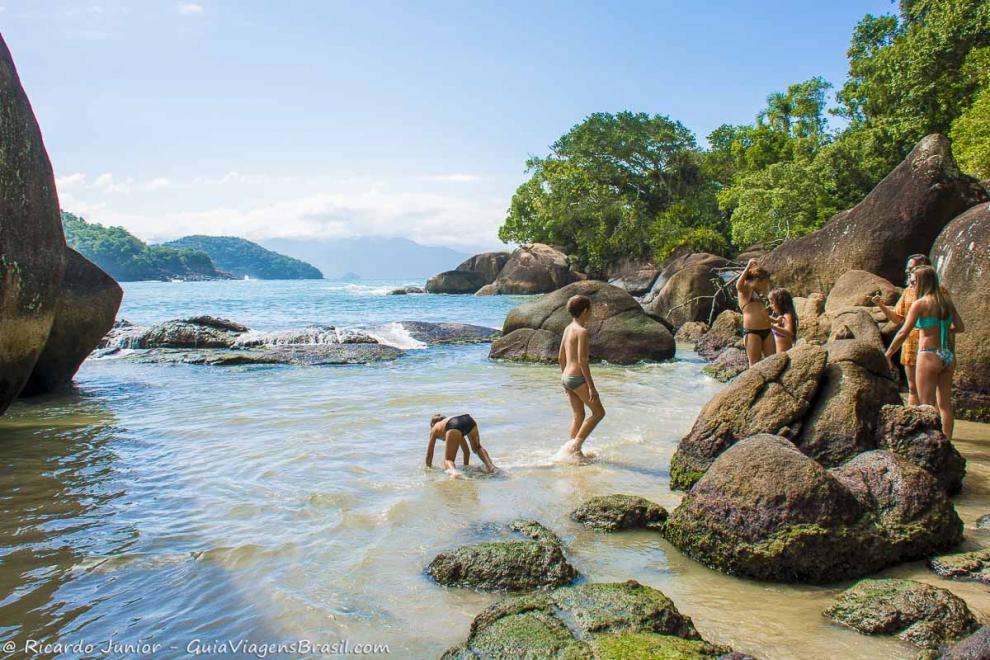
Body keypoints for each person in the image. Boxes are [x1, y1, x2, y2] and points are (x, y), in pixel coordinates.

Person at [885, 266, 964, 438]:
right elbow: (959, 327)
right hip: (947, 355)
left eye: (913, 281)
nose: (911, 284)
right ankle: (947, 442)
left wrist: (888, 354)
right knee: (944, 405)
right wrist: (942, 329)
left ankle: (932, 442)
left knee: (926, 405)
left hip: (928, 354)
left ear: (922, 282)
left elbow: (902, 332)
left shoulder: (920, 304)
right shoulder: (946, 302)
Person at [874, 254, 929, 405]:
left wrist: (888, 354)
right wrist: (881, 305)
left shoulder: (935, 293)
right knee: (913, 389)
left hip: (929, 344)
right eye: (907, 269)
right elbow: (897, 319)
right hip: (909, 343)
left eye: (911, 269)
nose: (907, 271)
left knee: (929, 390)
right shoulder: (907, 292)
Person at [558, 294, 605, 460]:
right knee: (599, 413)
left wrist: (564, 380)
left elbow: (560, 357)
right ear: (585, 311)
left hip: (566, 377)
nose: (591, 313)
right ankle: (574, 447)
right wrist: (592, 387)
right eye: (590, 310)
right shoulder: (582, 332)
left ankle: (573, 454)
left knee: (579, 415)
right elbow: (583, 361)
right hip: (577, 378)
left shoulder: (567, 329)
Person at [426, 413, 497, 477]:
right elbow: (466, 452)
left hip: (453, 424)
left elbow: (429, 453)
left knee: (448, 460)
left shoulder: (434, 429)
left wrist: (428, 469)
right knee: (477, 448)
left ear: (432, 425)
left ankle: (454, 473)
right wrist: (466, 467)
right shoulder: (448, 423)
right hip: (468, 420)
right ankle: (490, 466)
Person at [736, 258, 774, 366]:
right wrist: (748, 267)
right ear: (757, 281)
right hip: (752, 332)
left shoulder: (758, 294)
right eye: (764, 283)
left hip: (767, 330)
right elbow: (738, 285)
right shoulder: (745, 291)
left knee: (772, 361)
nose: (766, 285)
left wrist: (774, 320)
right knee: (754, 364)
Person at [768, 288, 798, 353]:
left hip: (785, 355)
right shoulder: (780, 317)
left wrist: (772, 326)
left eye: (772, 303)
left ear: (780, 302)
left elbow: (789, 333)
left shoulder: (787, 316)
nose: (770, 306)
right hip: (779, 355)